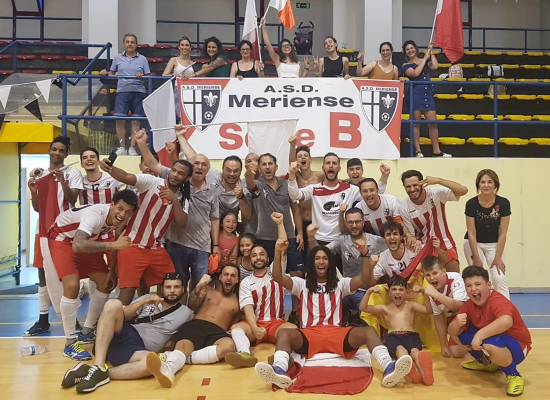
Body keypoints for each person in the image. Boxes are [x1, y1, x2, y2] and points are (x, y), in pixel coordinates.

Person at [254, 240, 412, 389]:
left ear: (330, 263)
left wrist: (364, 254)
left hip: (336, 334)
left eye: (325, 258)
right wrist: (277, 252)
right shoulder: (301, 284)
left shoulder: (340, 284)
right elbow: (277, 277)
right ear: (311, 263)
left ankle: (388, 367)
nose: (321, 261)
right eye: (317, 258)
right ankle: (279, 370)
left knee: (368, 331)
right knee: (284, 332)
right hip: (309, 335)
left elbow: (364, 279)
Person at [61, 273, 193, 393]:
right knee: (113, 304)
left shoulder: (186, 313)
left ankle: (97, 372)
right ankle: (98, 364)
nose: (172, 291)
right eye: (168, 287)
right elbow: (121, 314)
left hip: (138, 348)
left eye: (176, 287)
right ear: (162, 289)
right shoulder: (147, 298)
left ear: (183, 290)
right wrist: (143, 302)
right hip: (123, 333)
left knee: (152, 365)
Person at [47, 190, 139, 360]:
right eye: (120, 209)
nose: (122, 214)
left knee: (106, 283)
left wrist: (111, 270)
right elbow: (78, 245)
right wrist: (113, 245)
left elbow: (116, 242)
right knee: (72, 286)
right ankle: (69, 343)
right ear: (112, 205)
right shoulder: (95, 215)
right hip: (62, 238)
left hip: (86, 240)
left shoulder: (121, 220)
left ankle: (87, 331)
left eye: (127, 212)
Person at [134, 128, 221, 294]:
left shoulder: (213, 191)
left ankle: (195, 312)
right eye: (196, 163)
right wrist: (142, 144)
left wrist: (215, 244)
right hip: (176, 244)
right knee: (176, 288)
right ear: (190, 167)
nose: (200, 167)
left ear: (208, 170)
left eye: (204, 165)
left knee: (200, 289)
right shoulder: (178, 179)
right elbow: (153, 164)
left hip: (202, 247)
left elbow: (215, 219)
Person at [99, 156, 192, 305]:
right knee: (128, 292)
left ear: (187, 179)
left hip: (155, 248)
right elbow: (126, 176)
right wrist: (109, 168)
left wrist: (174, 199)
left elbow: (182, 223)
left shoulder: (183, 199)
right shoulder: (152, 181)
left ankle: (165, 316)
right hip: (132, 245)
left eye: (180, 173)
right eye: (173, 170)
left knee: (173, 285)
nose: (175, 175)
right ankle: (114, 319)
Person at [25, 136, 83, 337]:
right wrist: (33, 191)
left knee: (65, 274)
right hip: (42, 229)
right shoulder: (40, 175)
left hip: (64, 230)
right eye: (54, 149)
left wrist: (61, 181)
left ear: (66, 154)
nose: (57, 153)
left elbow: (73, 198)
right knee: (42, 273)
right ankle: (43, 320)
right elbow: (37, 208)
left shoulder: (73, 173)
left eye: (61, 150)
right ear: (49, 151)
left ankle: (72, 319)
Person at [145, 266, 241, 388]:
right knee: (183, 346)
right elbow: (191, 305)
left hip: (217, 331)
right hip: (196, 324)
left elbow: (235, 323)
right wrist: (199, 286)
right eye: (226, 274)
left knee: (229, 347)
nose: (229, 278)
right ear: (220, 277)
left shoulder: (238, 301)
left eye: (233, 275)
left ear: (237, 279)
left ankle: (174, 356)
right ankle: (168, 369)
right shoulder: (207, 290)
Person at [226, 213, 297, 368]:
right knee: (236, 329)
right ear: (250, 259)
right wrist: (254, 327)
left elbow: (282, 246)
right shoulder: (246, 282)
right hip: (256, 323)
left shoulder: (276, 271)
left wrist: (280, 224)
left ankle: (281, 358)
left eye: (261, 254)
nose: (258, 258)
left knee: (293, 330)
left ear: (267, 258)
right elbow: (248, 308)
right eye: (254, 255)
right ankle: (245, 355)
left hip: (276, 322)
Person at [448, 266, 532, 397]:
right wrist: (457, 324)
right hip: (496, 340)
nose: (473, 289)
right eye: (469, 286)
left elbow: (506, 321)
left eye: (477, 284)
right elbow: (451, 331)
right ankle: (488, 364)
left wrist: (479, 336)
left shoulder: (497, 299)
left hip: (519, 346)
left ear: (488, 285)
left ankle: (514, 375)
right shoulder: (469, 304)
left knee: (489, 343)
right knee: (463, 333)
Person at [307, 208, 387, 325]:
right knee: (327, 306)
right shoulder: (342, 240)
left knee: (366, 320)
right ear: (346, 223)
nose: (354, 225)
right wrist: (311, 237)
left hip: (367, 291)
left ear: (363, 222)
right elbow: (320, 253)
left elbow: (393, 253)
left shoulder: (377, 241)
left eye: (357, 222)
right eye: (350, 222)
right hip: (347, 290)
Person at [361, 276, 434, 385]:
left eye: (401, 289)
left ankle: (424, 374)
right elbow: (363, 308)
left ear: (406, 292)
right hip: (393, 336)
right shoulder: (385, 308)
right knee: (401, 350)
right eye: (394, 289)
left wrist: (424, 292)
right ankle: (411, 368)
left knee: (415, 352)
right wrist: (369, 291)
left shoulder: (411, 305)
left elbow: (428, 310)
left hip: (411, 335)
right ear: (389, 293)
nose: (397, 292)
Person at [400, 170, 468, 273]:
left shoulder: (435, 193)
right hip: (424, 249)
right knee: (429, 281)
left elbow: (463, 190)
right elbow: (412, 236)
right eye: (408, 187)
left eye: (415, 185)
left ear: (422, 183)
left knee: (453, 278)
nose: (412, 189)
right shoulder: (404, 207)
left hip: (445, 244)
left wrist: (438, 180)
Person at [288, 154, 361, 247]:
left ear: (339, 168)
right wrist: (292, 175)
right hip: (318, 240)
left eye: (334, 163)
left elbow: (371, 197)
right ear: (323, 168)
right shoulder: (314, 189)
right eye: (328, 163)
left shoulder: (352, 190)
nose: (331, 166)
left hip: (341, 241)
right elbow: (294, 195)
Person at [100, 33, 151, 156]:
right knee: (119, 120)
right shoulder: (117, 58)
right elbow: (111, 74)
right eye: (127, 42)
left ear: (136, 44)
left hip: (138, 92)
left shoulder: (143, 59)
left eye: (132, 42)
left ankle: (132, 147)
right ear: (124, 44)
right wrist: (104, 73)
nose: (130, 44)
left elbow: (148, 78)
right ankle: (122, 147)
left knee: (136, 122)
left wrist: (142, 76)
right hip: (122, 92)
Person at [464, 169, 511, 299]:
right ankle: (477, 305)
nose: (486, 185)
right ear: (478, 185)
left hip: (494, 243)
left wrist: (498, 257)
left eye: (490, 182)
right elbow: (471, 233)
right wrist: (476, 258)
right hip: (473, 243)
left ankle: (505, 308)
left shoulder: (503, 203)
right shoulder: (471, 204)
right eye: (483, 182)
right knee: (476, 278)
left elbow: (503, 233)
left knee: (499, 277)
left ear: (495, 184)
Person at [402, 40, 450, 158]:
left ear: (415, 48)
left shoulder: (425, 60)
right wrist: (424, 59)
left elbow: (435, 66)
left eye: (412, 48)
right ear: (405, 52)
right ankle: (418, 151)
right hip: (415, 94)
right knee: (416, 124)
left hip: (427, 93)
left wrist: (431, 53)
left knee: (433, 123)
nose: (410, 51)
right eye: (407, 49)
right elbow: (415, 73)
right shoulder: (405, 65)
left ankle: (437, 151)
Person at [371, 221, 447, 286]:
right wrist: (370, 266)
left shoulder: (414, 246)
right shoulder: (382, 257)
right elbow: (370, 283)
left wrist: (438, 249)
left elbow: (445, 260)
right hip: (400, 293)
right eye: (388, 235)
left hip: (421, 289)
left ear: (401, 237)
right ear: (384, 239)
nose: (392, 237)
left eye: (395, 234)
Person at [420, 256, 468, 358]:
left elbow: (458, 306)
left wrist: (436, 295)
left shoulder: (455, 279)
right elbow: (438, 318)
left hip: (474, 316)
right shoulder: (431, 289)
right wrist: (443, 346)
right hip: (459, 320)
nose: (432, 278)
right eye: (427, 275)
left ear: (444, 272)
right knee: (456, 353)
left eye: (435, 273)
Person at [162, 36, 195, 119]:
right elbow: (164, 75)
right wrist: (172, 75)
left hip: (190, 92)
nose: (184, 47)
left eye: (187, 45)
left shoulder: (192, 62)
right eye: (182, 45)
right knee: (181, 117)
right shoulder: (173, 60)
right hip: (178, 91)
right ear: (179, 47)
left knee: (189, 117)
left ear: (190, 48)